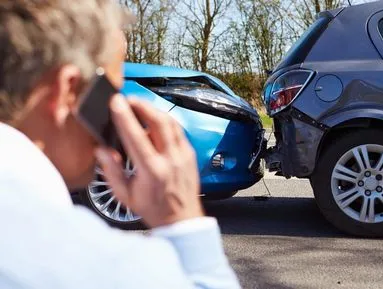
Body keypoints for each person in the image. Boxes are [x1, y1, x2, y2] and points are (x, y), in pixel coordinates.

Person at [0, 1, 241, 288]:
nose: (116, 114)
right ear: (68, 91)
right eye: (110, 94)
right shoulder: (88, 262)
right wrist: (182, 219)